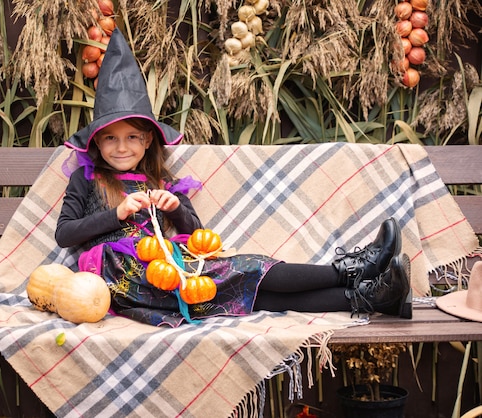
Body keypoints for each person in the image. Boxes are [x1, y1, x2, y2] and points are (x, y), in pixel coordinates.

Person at [55, 28, 412, 327]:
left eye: (132, 137)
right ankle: (354, 269)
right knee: (249, 271)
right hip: (128, 279)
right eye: (110, 138)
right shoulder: (88, 180)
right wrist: (116, 214)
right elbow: (65, 233)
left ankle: (374, 297)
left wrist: (176, 206)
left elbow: (195, 233)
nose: (121, 147)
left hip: (174, 268)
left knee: (256, 291)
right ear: (96, 142)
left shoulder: (158, 182)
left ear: (148, 140)